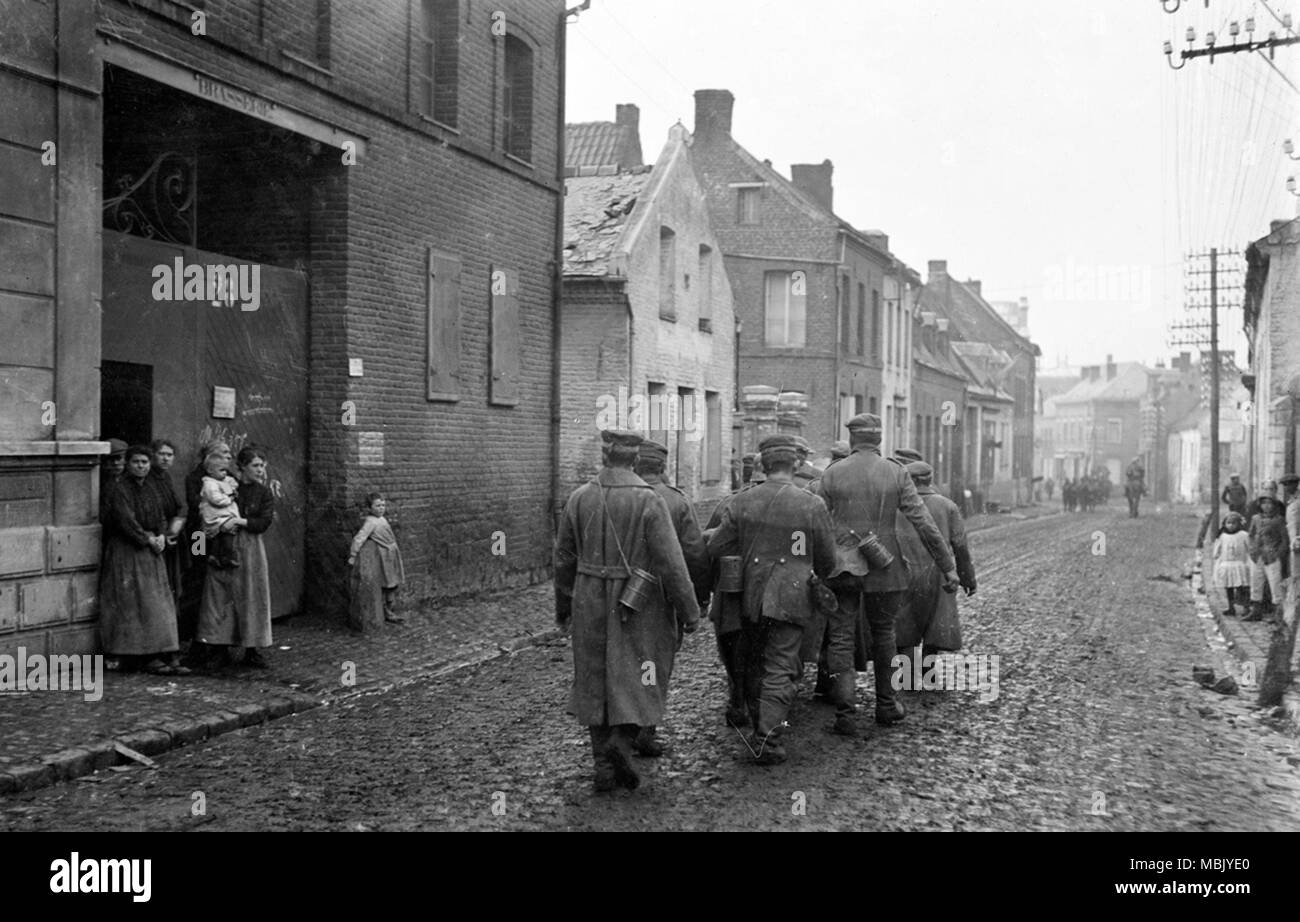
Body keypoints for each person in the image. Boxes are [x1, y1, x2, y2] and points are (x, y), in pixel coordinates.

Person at [554, 430, 700, 793]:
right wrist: (689, 610)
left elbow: (563, 559)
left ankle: (603, 767)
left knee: (595, 677)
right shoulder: (650, 500)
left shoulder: (579, 497)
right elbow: (671, 561)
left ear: (604, 457)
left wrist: (563, 607)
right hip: (639, 602)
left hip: (588, 598)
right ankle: (621, 743)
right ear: (635, 459)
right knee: (646, 672)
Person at [808, 413, 958, 735]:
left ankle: (846, 713)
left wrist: (817, 565)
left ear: (852, 439)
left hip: (843, 569)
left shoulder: (832, 473)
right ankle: (887, 705)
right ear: (879, 439)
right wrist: (947, 566)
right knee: (885, 634)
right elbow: (924, 524)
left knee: (841, 639)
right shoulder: (896, 472)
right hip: (886, 569)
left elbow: (816, 525)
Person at [707, 434, 836, 764]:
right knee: (780, 665)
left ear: (763, 465)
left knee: (751, 663)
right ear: (794, 464)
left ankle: (757, 724)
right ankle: (768, 738)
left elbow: (717, 548)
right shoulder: (812, 504)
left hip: (749, 595)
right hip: (792, 598)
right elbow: (828, 561)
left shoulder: (741, 501)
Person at [627, 439, 709, 757]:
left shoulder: (615, 496)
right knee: (655, 662)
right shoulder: (676, 501)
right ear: (663, 467)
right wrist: (699, 600)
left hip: (619, 596)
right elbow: (695, 555)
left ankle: (622, 731)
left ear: (636, 465)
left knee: (623, 661)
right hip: (661, 598)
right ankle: (645, 730)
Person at [99, 445, 189, 675]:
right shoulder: (120, 489)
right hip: (127, 550)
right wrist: (147, 539)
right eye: (136, 462)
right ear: (128, 464)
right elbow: (124, 520)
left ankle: (163, 652)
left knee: (159, 602)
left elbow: (160, 513)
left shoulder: (151, 487)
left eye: (145, 462)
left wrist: (161, 534)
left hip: (151, 548)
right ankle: (142, 655)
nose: (141, 466)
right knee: (136, 603)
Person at [195, 445, 276, 669]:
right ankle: (220, 647)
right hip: (222, 544)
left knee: (251, 595)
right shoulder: (226, 486)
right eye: (255, 466)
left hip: (250, 548)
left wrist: (240, 522)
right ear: (242, 467)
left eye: (262, 466)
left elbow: (264, 522)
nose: (260, 470)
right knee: (221, 596)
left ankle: (252, 648)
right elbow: (208, 510)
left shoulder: (264, 492)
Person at [894, 461, 977, 669]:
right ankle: (927, 672)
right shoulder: (948, 506)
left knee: (904, 625)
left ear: (910, 481)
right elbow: (960, 546)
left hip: (904, 572)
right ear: (930, 480)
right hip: (938, 574)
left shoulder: (896, 506)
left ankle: (907, 676)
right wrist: (967, 578)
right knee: (935, 626)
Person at [180, 441, 232, 659]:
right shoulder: (195, 478)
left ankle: (220, 641)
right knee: (198, 577)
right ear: (210, 457)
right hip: (198, 535)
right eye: (224, 454)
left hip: (220, 536)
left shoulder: (228, 476)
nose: (229, 458)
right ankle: (196, 641)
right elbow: (195, 504)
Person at [348, 492, 407, 629]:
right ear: (370, 507)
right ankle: (387, 611)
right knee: (388, 582)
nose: (381, 508)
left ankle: (390, 609)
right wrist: (353, 555)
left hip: (392, 553)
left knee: (394, 581)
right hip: (384, 555)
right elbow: (359, 538)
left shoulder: (382, 519)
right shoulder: (370, 522)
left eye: (383, 505)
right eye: (377, 505)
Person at [148, 438, 186, 612]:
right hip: (158, 537)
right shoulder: (148, 479)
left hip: (182, 537)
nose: (165, 458)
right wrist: (165, 533)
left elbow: (179, 507)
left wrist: (174, 530)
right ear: (153, 455)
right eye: (161, 454)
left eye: (169, 455)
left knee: (175, 578)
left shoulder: (166, 478)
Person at [1246, 492, 1288, 623]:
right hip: (1257, 556)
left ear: (1275, 505)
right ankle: (1255, 611)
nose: (1267, 506)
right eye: (1264, 503)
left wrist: (1277, 554)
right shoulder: (1255, 518)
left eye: (1270, 503)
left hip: (1271, 556)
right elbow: (1251, 535)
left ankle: (1278, 614)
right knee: (1255, 582)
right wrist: (1252, 549)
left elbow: (1284, 540)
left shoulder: (1279, 520)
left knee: (1275, 583)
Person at [200, 456, 242, 570]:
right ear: (210, 471)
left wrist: (232, 488)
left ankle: (216, 556)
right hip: (214, 516)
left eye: (226, 470)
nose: (225, 473)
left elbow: (234, 484)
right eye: (221, 470)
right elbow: (216, 499)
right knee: (225, 534)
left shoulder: (223, 480)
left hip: (222, 514)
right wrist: (229, 498)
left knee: (220, 536)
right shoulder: (209, 484)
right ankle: (226, 556)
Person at [1212, 513, 1250, 617]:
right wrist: (1217, 557)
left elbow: (1249, 548)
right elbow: (1216, 551)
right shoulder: (1222, 536)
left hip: (1239, 564)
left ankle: (1246, 607)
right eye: (1228, 523)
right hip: (1226, 565)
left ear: (1239, 524)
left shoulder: (1243, 535)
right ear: (1224, 524)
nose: (1231, 525)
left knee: (1241, 587)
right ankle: (1230, 607)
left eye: (1234, 523)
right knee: (1228, 587)